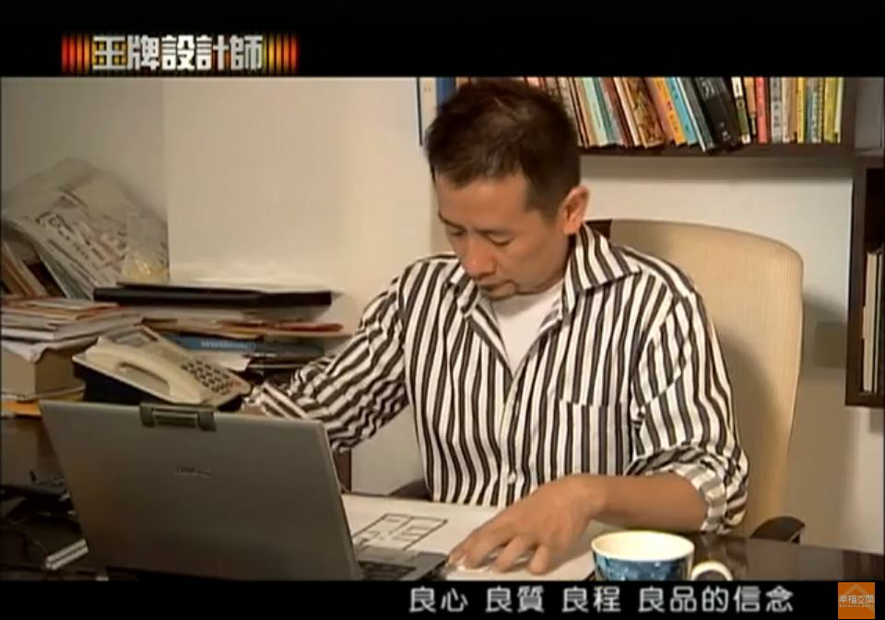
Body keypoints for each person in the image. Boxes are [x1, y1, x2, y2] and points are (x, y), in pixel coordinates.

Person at [246, 78, 749, 575]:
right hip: (456, 571)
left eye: (498, 238)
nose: (473, 263)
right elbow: (308, 414)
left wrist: (585, 495)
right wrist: (223, 434)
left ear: (570, 211)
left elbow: (713, 487)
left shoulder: (653, 303)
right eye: (455, 232)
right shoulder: (422, 296)